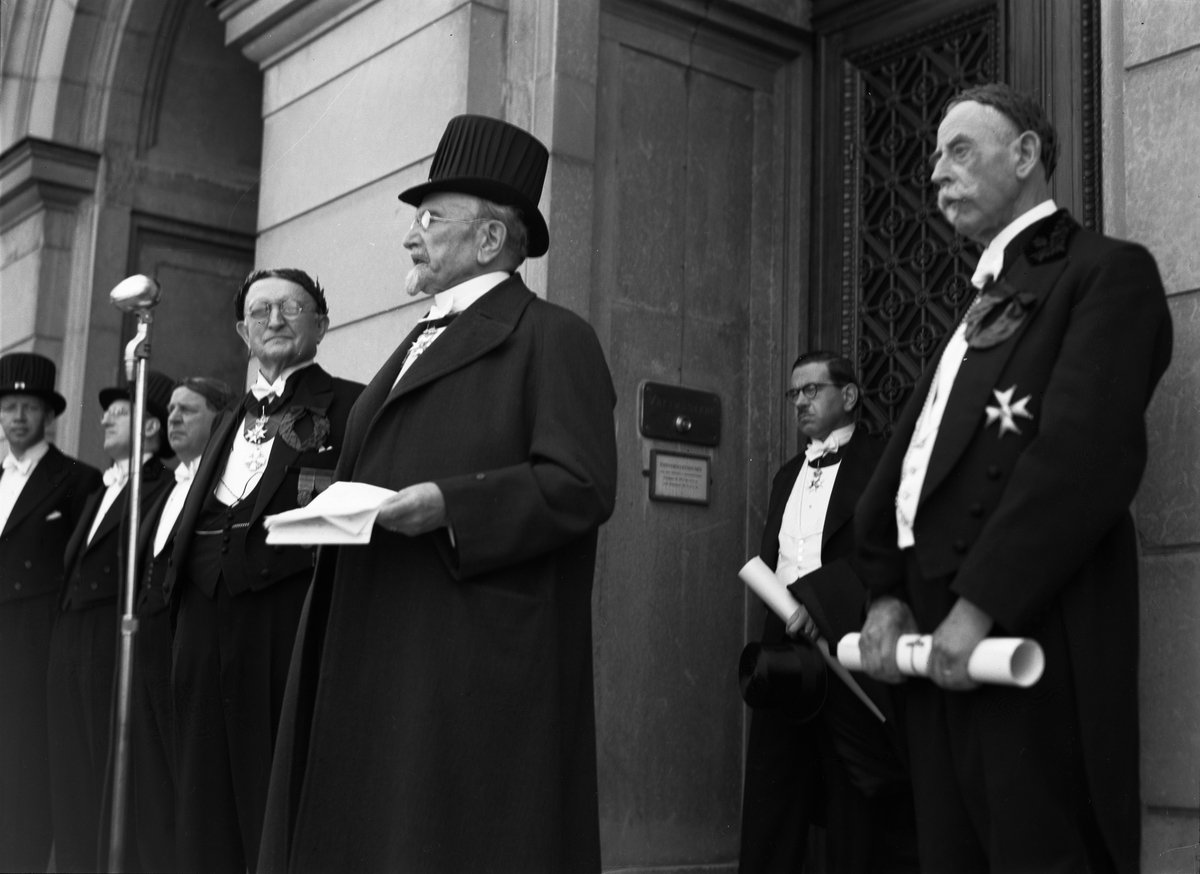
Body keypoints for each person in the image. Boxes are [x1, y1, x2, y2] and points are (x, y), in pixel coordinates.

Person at [259, 115, 618, 874]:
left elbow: (580, 484)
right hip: (377, 642)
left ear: (489, 239)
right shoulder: (421, 336)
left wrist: (450, 506)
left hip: (464, 662)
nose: (409, 237)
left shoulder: (554, 336)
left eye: (429, 219)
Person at [854, 83, 1173, 873]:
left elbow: (1084, 457)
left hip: (1028, 621)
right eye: (935, 157)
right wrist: (887, 592)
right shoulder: (980, 300)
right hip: (933, 625)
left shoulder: (1106, 272)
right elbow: (919, 457)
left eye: (960, 150)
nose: (937, 173)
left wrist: (982, 603)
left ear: (1026, 154)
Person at [164, 269, 363, 874]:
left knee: (274, 799)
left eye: (291, 308)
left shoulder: (353, 405)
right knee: (201, 804)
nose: (274, 320)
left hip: (284, 621)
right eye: (260, 311)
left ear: (321, 325)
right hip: (202, 621)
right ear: (241, 332)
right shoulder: (227, 418)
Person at [739, 352, 916, 874]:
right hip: (783, 649)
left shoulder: (881, 462)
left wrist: (823, 603)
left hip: (846, 640)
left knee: (852, 795)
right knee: (773, 786)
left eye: (812, 390)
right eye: (794, 393)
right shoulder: (786, 475)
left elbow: (889, 549)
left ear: (850, 395)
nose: (800, 402)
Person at [47, 369, 176, 873]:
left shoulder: (162, 487)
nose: (104, 420)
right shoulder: (100, 490)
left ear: (151, 426)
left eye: (119, 412)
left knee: (108, 772)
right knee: (70, 771)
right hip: (71, 635)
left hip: (111, 638)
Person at [119, 376, 233, 872]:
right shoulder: (165, 486)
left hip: (185, 647)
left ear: (220, 418)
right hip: (144, 650)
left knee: (189, 786)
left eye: (189, 409)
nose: (174, 418)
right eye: (170, 411)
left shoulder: (223, 485)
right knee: (150, 788)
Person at [0, 353, 102, 872]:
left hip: (36, 641)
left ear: (48, 415)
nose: (18, 417)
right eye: (9, 407)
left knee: (26, 768)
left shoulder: (79, 480)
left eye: (30, 407)